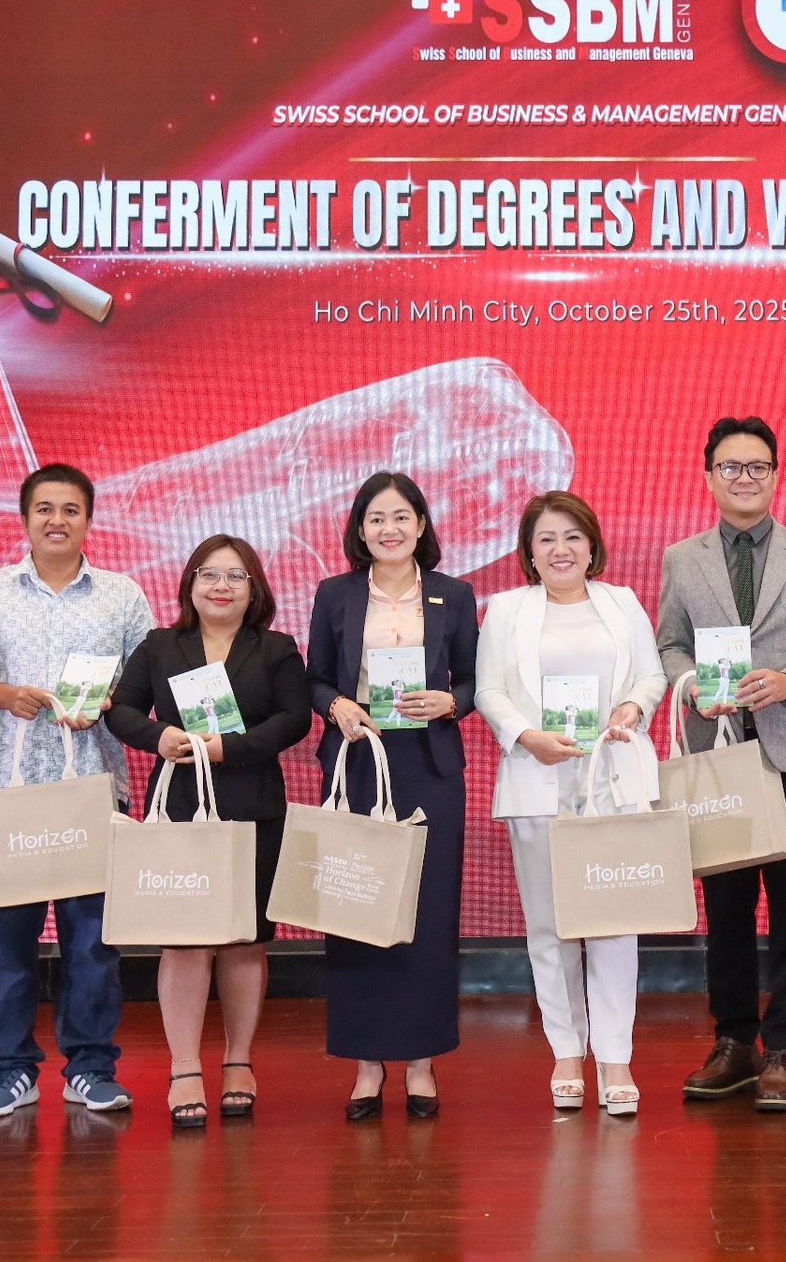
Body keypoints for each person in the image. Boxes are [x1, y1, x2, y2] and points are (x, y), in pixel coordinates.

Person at [657, 416, 786, 1112]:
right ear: (708, 476)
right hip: (718, 752)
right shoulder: (682, 558)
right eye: (731, 466)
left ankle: (783, 1047)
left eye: (757, 466)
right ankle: (734, 1041)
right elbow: (669, 644)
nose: (744, 477)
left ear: (775, 475)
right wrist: (691, 684)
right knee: (727, 905)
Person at [0, 464, 153, 1118]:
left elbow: (144, 682)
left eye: (70, 509)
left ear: (88, 519)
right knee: (7, 945)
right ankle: (10, 1070)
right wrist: (4, 694)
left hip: (92, 788)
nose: (56, 520)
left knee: (91, 942)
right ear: (25, 518)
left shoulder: (122, 596)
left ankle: (91, 1067)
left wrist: (108, 704)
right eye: (44, 508)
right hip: (8, 791)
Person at [106, 535, 313, 1127]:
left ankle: (239, 1060)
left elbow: (294, 718)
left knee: (247, 940)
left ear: (255, 589)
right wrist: (158, 737)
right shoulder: (159, 645)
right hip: (180, 806)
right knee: (185, 939)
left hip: (254, 807)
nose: (221, 586)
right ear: (190, 584)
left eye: (235, 576)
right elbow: (122, 710)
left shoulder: (275, 648)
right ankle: (184, 1067)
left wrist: (230, 747)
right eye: (209, 574)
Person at [475, 491, 668, 1116]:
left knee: (614, 920)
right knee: (550, 923)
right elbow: (488, 691)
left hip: (611, 779)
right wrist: (526, 737)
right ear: (529, 552)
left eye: (572, 537)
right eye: (546, 539)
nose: (561, 549)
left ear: (592, 546)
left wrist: (632, 708)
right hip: (539, 778)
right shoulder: (507, 609)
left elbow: (651, 675)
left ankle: (615, 1057)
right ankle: (565, 1050)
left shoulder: (622, 602)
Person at [304, 472, 478, 1120]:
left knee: (428, 915)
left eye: (401, 516)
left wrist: (451, 701)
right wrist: (337, 705)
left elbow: (474, 677)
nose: (390, 528)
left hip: (429, 765)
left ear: (422, 524)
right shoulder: (336, 593)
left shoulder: (453, 594)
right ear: (360, 529)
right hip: (358, 760)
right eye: (376, 518)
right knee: (358, 909)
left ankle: (423, 1059)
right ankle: (368, 1062)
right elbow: (315, 678)